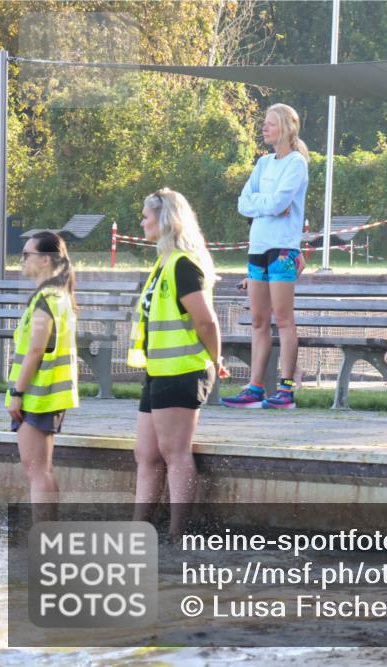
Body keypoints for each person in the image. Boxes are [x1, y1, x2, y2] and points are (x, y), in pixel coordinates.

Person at [129, 188, 228, 542]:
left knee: (174, 452)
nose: (141, 222)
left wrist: (215, 360)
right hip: (157, 371)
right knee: (146, 453)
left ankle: (176, 536)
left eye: (146, 215)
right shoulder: (164, 263)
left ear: (166, 219)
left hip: (182, 370)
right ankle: (140, 530)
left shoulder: (183, 264)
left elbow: (206, 321)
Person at [222, 103, 310, 409]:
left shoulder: (297, 163)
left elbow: (280, 203)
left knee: (283, 320)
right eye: (264, 123)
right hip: (257, 247)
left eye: (270, 124)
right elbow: (243, 203)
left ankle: (286, 389)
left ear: (285, 127)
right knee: (259, 320)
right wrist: (267, 203)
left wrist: (266, 204)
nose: (264, 128)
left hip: (283, 248)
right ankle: (255, 386)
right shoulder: (262, 165)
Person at [5, 231, 79, 521]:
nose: (22, 260)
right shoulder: (55, 295)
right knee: (41, 469)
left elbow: (36, 351)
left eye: (27, 255)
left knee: (37, 470)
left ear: (46, 260)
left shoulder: (46, 299)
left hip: (38, 395)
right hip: (46, 393)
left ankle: (44, 536)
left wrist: (17, 393)